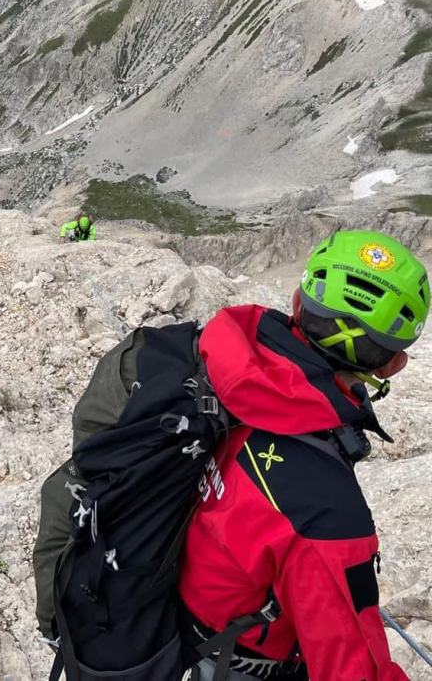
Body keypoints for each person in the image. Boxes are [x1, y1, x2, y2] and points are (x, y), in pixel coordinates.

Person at [178, 230, 430, 681]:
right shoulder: (326, 514)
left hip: (180, 617)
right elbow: (352, 670)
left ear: (296, 304)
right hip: (236, 663)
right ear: (394, 365)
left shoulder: (223, 366)